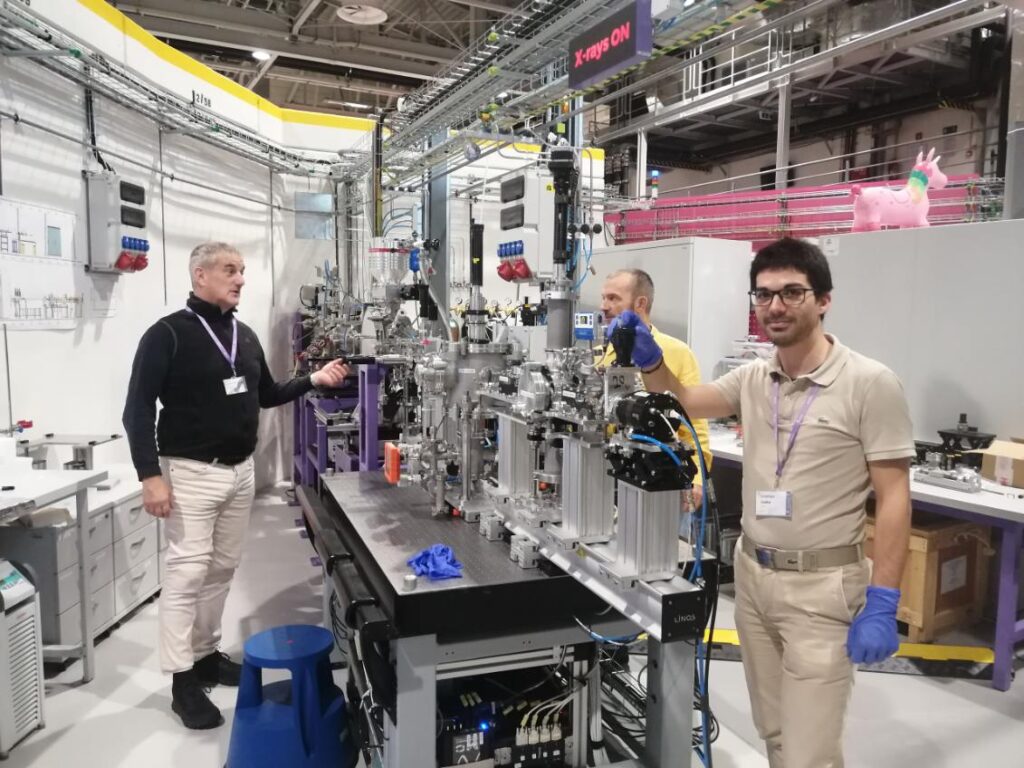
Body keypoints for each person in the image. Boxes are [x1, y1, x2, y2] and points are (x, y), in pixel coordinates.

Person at [608, 238, 913, 768]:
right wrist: (652, 360)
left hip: (823, 590)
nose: (775, 306)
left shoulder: (869, 382)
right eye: (764, 295)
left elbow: (893, 498)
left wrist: (884, 601)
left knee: (807, 753)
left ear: (823, 300)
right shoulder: (755, 376)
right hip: (752, 579)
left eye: (792, 292)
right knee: (773, 734)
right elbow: (685, 400)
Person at [122, 242, 349, 730]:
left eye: (243, 271)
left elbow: (267, 393)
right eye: (230, 270)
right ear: (199, 275)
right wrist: (150, 476)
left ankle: (205, 655)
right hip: (190, 473)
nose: (240, 278)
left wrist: (314, 378)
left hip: (239, 472)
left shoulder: (242, 336)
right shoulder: (168, 335)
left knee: (221, 570)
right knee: (186, 575)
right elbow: (137, 410)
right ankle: (183, 681)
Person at [598, 268, 712, 511]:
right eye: (603, 298)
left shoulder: (678, 352)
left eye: (613, 298)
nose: (604, 306)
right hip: (615, 474)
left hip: (663, 477)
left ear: (640, 303)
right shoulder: (605, 354)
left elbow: (693, 424)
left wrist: (696, 479)